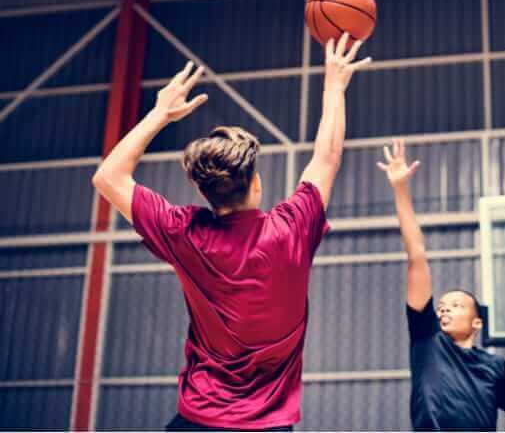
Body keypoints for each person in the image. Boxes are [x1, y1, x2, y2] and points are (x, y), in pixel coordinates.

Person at [92, 33, 371, 430]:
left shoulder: (184, 231)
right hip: (268, 424)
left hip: (199, 418)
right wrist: (333, 84)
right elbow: (327, 156)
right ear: (255, 183)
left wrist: (160, 113)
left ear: (202, 190)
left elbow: (108, 177)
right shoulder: (291, 228)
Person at [377, 139, 505, 432]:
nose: (444, 310)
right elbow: (417, 255)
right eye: (441, 306)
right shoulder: (427, 339)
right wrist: (400, 189)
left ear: (477, 322)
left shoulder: (495, 368)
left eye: (456, 305)